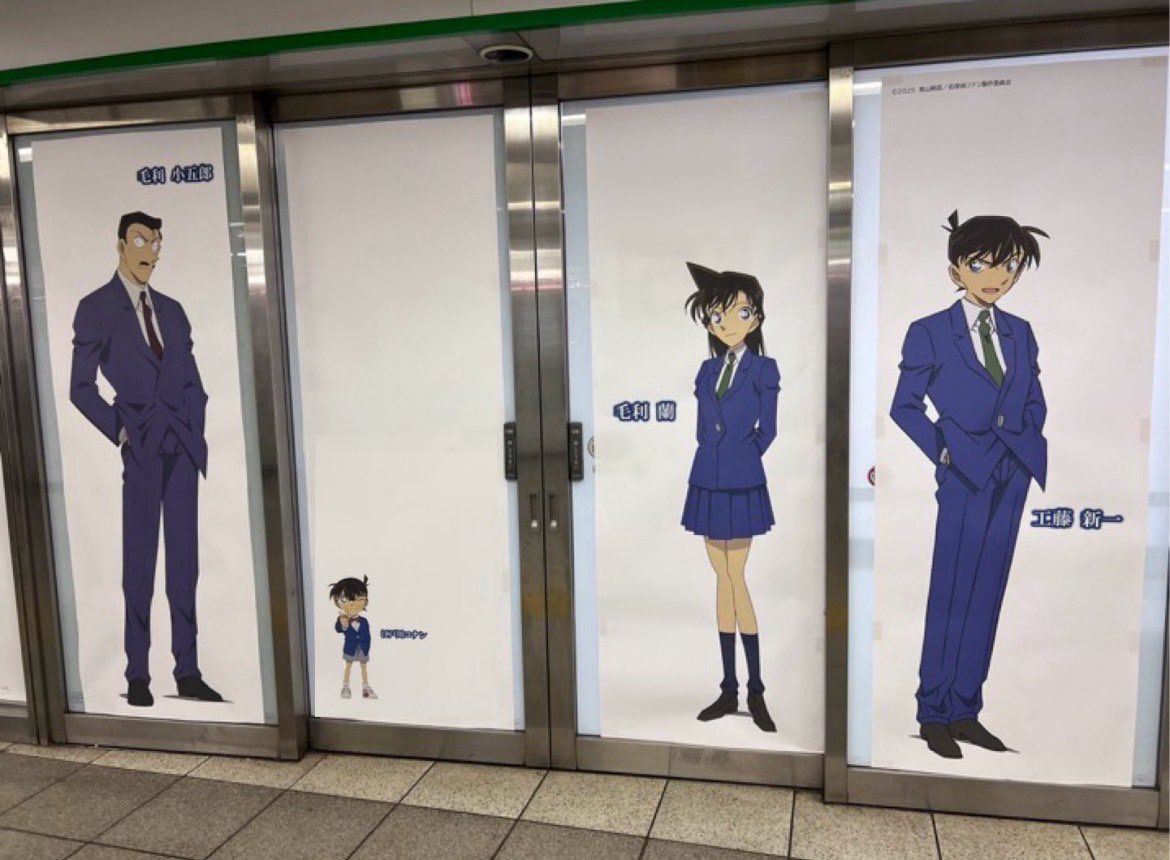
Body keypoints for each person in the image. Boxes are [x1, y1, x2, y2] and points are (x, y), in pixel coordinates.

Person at [890, 210, 1049, 759]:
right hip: (963, 473)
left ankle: (965, 709)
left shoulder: (1020, 332)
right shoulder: (930, 331)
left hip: (1012, 470)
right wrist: (944, 450)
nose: (996, 276)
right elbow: (904, 406)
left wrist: (1027, 441)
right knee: (952, 593)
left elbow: (1034, 396)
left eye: (1008, 266)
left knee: (987, 594)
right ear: (955, 269)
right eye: (980, 264)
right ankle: (933, 711)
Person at [70, 211, 221, 708]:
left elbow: (192, 378)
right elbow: (81, 387)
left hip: (181, 446)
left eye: (156, 243)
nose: (150, 252)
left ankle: (187, 670)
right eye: (140, 241)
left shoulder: (173, 311)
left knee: (184, 564)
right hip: (140, 447)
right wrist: (120, 431)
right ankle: (138, 674)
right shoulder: (96, 307)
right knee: (139, 563)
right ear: (120, 245)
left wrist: (194, 422)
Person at [681, 262, 780, 733]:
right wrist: (715, 454)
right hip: (706, 476)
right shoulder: (707, 370)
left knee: (735, 577)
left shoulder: (763, 368)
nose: (726, 324)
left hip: (740, 480)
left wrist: (742, 457)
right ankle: (729, 688)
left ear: (755, 316)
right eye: (716, 316)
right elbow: (702, 427)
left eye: (738, 313)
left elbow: (769, 429)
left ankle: (754, 689)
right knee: (722, 578)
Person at [330, 576, 377, 699]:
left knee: (364, 667)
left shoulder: (364, 621)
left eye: (358, 599)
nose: (352, 604)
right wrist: (343, 624)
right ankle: (346, 686)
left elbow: (367, 635)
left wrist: (367, 646)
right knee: (348, 666)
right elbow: (338, 629)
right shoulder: (342, 619)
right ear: (337, 601)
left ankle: (366, 687)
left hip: (363, 647)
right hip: (350, 647)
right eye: (345, 599)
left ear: (365, 601)